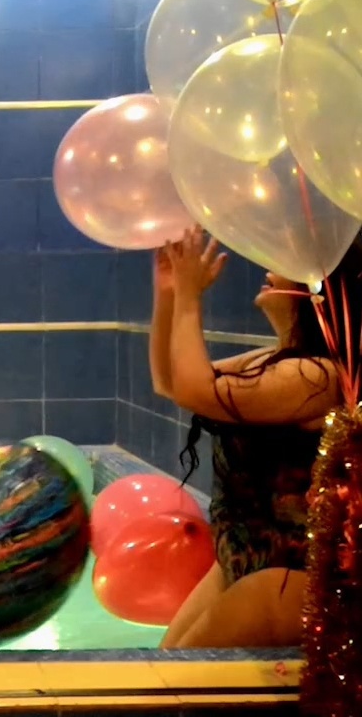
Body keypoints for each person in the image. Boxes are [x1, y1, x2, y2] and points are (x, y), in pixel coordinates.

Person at [150, 223, 362, 649]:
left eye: (286, 265)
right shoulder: (278, 362)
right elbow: (173, 383)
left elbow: (196, 389)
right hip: (245, 563)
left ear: (319, 291)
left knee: (170, 689)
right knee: (162, 668)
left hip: (286, 582)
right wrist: (170, 293)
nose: (270, 268)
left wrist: (191, 299)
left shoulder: (318, 376)